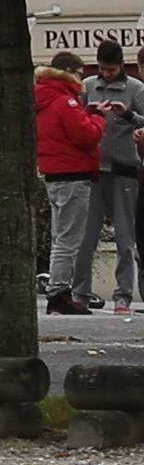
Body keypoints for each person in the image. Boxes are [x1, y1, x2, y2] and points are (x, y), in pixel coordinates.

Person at [43, 53, 108, 314]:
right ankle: (59, 294)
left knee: (59, 237)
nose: (82, 79)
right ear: (69, 72)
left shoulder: (46, 98)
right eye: (80, 73)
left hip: (55, 175)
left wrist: (86, 113)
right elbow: (85, 136)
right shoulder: (65, 101)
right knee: (69, 240)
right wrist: (98, 119)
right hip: (73, 175)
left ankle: (57, 291)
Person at [87, 41, 144, 310]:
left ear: (121, 65)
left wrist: (129, 115)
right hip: (95, 169)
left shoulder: (136, 88)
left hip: (125, 169)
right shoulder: (88, 86)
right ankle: (80, 293)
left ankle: (123, 296)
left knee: (125, 238)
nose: (106, 74)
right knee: (86, 238)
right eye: (102, 69)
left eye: (111, 69)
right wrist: (89, 113)